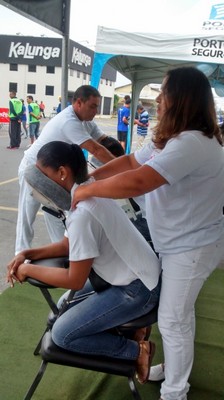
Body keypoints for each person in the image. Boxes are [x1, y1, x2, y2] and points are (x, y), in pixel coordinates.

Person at [72, 67, 224, 400]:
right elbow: (130, 163)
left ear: (181, 98)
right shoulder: (175, 138)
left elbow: (141, 180)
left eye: (164, 92)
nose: (159, 99)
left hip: (192, 246)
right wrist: (90, 181)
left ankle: (175, 393)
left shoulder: (192, 143)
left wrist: (87, 193)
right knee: (178, 316)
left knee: (172, 319)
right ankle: (173, 372)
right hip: (177, 241)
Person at [7, 141, 161, 385]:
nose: (39, 182)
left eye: (43, 173)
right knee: (62, 306)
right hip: (132, 276)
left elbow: (75, 280)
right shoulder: (86, 189)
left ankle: (137, 351)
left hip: (139, 289)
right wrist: (28, 253)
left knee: (62, 334)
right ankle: (132, 330)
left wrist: (26, 269)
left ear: (62, 172)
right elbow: (68, 245)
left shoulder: (83, 212)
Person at [15, 85, 115, 255]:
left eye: (97, 106)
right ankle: (20, 256)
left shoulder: (87, 122)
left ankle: (63, 252)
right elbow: (96, 150)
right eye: (93, 106)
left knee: (56, 213)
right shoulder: (69, 121)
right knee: (27, 216)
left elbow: (104, 142)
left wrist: (122, 157)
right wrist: (123, 168)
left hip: (52, 174)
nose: (96, 111)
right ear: (78, 103)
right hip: (33, 170)